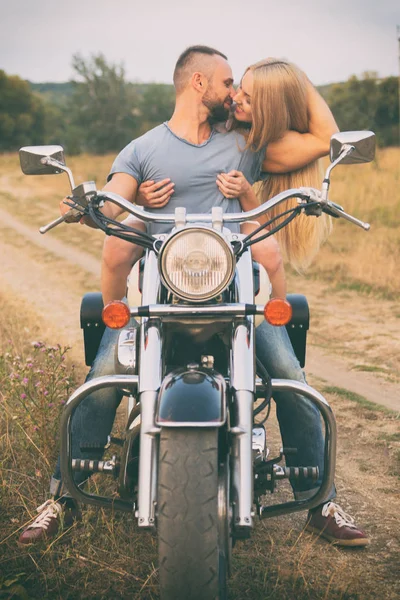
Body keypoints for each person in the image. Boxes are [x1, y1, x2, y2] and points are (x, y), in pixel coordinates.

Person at [18, 47, 368, 547]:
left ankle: (322, 501)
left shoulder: (246, 146)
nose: (236, 94)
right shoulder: (142, 149)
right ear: (199, 83)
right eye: (230, 83)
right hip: (162, 291)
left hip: (235, 290)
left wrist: (290, 75)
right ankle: (60, 498)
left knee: (290, 374)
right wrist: (91, 202)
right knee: (103, 374)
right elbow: (115, 199)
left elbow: (321, 139)